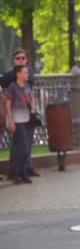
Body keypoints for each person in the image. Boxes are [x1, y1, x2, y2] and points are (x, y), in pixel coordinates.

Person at [0, 49, 38, 177]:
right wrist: (4, 98)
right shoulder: (8, 75)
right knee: (17, 143)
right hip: (15, 114)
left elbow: (30, 91)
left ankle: (27, 168)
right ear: (13, 60)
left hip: (28, 112)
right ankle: (14, 171)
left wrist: (33, 110)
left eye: (23, 58)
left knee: (28, 141)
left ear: (26, 60)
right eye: (18, 58)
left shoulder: (30, 73)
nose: (20, 60)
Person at [5, 65, 36, 184]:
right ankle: (17, 173)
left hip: (27, 119)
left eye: (27, 73)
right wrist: (11, 120)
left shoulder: (27, 86)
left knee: (26, 147)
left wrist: (33, 109)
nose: (27, 75)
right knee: (22, 146)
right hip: (17, 121)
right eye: (25, 73)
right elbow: (8, 104)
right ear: (18, 74)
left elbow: (31, 97)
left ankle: (22, 173)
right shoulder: (12, 87)